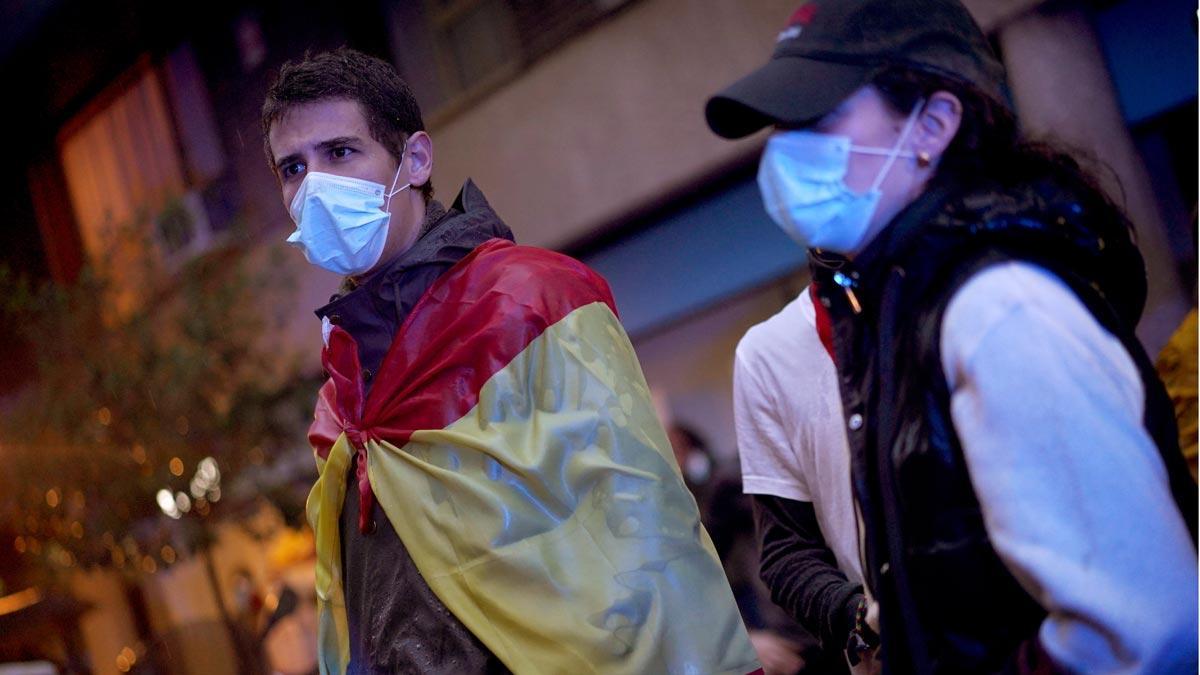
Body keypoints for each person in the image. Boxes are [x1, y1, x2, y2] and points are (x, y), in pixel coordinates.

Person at [705, 1, 1198, 673]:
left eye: (820, 118)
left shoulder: (997, 309)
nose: (787, 153)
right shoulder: (906, 307)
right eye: (785, 128)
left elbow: (1143, 626)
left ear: (933, 123)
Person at [262, 48, 760, 675]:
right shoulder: (342, 377)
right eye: (292, 168)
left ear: (415, 159)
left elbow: (644, 536)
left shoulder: (533, 300)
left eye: (339, 152)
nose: (314, 187)